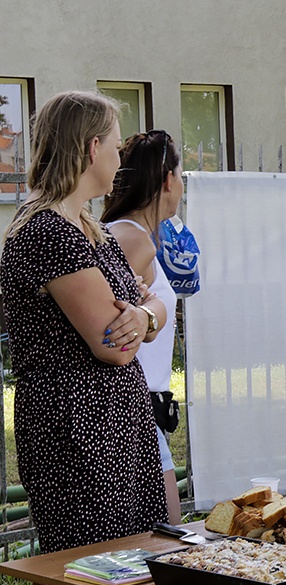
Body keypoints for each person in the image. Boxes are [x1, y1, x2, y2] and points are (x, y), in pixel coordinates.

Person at [0, 91, 166, 552]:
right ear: (92, 148)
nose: (120, 160)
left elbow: (151, 302)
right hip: (79, 433)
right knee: (94, 570)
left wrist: (144, 315)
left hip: (114, 425)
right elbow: (114, 345)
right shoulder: (48, 231)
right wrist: (141, 317)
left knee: (134, 565)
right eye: (115, 147)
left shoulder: (86, 225)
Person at [102, 129, 183, 524]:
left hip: (145, 407)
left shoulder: (129, 235)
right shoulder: (134, 241)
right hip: (137, 408)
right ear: (168, 180)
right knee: (165, 539)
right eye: (181, 175)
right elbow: (107, 318)